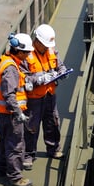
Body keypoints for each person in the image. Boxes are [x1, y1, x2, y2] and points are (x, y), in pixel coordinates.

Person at [20, 24, 68, 170]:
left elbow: (60, 65)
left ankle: (53, 149)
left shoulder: (51, 50)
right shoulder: (26, 55)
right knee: (31, 127)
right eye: (45, 45)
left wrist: (62, 72)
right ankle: (28, 155)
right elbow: (23, 77)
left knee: (52, 122)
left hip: (49, 94)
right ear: (37, 42)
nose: (47, 48)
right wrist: (39, 78)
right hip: (34, 98)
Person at [0, 33, 34, 186]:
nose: (29, 55)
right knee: (16, 144)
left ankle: (2, 168)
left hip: (3, 112)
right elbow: (9, 95)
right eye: (27, 52)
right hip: (11, 114)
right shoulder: (10, 68)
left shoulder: (4, 60)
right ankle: (15, 178)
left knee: (4, 141)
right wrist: (18, 113)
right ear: (19, 51)